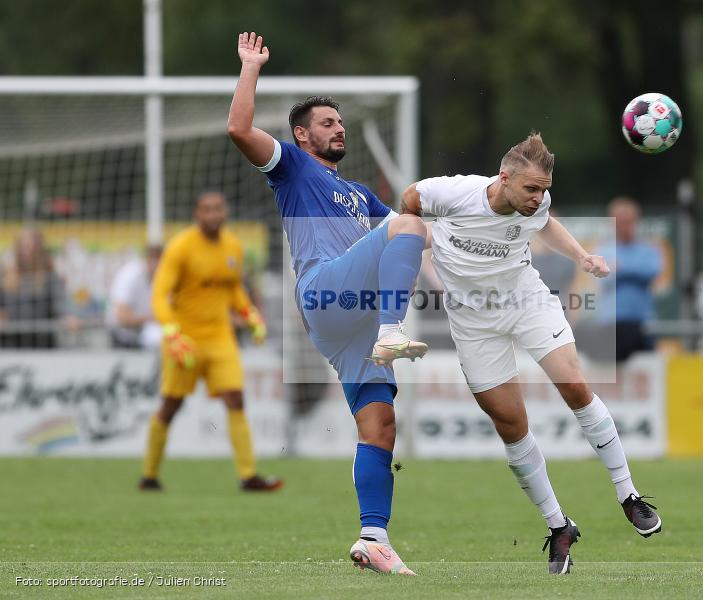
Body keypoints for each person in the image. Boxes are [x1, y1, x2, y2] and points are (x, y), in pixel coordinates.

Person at [401, 133, 662, 575]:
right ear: (503, 179)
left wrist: (582, 257)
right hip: (472, 321)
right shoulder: (451, 193)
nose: (539, 198)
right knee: (511, 425)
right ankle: (559, 525)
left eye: (545, 190)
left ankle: (628, 495)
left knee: (575, 386)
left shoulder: (534, 204)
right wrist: (412, 247)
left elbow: (545, 223)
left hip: (527, 301)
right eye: (531, 189)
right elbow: (408, 203)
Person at [227, 32, 427, 576]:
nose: (337, 128)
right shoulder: (292, 165)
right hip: (325, 291)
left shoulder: (361, 194)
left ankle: (374, 537)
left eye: (340, 123)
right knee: (407, 224)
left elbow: (415, 241)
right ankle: (392, 329)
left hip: (349, 322)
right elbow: (239, 129)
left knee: (381, 424)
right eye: (327, 123)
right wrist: (251, 68)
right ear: (301, 134)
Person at [138, 191, 281, 493]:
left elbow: (233, 291)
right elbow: (159, 295)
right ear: (197, 213)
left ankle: (248, 475)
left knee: (236, 398)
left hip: (219, 337)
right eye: (207, 210)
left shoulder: (233, 247)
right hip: (185, 339)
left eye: (218, 208)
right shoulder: (180, 248)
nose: (214, 215)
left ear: (225, 211)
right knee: (170, 405)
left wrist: (250, 314)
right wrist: (172, 333)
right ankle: (149, 475)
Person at [595, 197, 662, 363]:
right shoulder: (604, 250)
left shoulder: (648, 249)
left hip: (641, 321)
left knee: (646, 369)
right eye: (620, 222)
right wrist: (631, 271)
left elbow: (652, 271)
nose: (624, 227)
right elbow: (602, 278)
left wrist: (621, 269)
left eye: (628, 222)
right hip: (613, 322)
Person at [0, 228, 72, 348]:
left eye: (31, 247)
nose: (27, 251)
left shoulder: (50, 277)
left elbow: (60, 304)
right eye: (23, 247)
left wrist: (68, 316)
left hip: (41, 345)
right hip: (10, 344)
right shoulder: (5, 277)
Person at [107, 245, 163, 349]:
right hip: (123, 337)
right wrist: (154, 318)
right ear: (147, 260)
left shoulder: (164, 277)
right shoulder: (130, 275)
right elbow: (122, 316)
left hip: (145, 334)